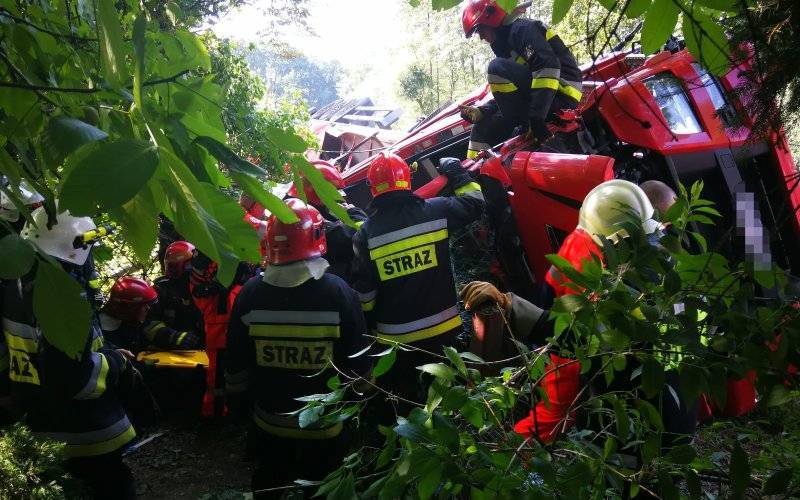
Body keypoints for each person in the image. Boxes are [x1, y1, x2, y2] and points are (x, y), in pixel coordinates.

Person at [225, 199, 370, 498]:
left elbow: (236, 366)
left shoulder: (250, 294)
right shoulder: (339, 293)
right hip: (324, 426)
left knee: (269, 485)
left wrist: (239, 412)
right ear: (317, 237)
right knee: (321, 489)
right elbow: (360, 366)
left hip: (269, 422)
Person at [5, 206, 136, 498]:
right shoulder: (62, 297)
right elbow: (77, 378)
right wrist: (116, 362)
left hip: (35, 429)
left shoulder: (14, 286)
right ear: (74, 250)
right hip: (86, 436)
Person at [352, 154, 484, 402]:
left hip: (396, 344)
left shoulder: (365, 234)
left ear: (372, 188)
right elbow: (475, 203)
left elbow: (365, 299)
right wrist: (456, 172)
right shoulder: (437, 210)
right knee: (453, 397)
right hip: (445, 333)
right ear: (407, 180)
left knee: (411, 403)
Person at [459, 0, 583, 158]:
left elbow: (548, 68)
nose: (481, 37)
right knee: (481, 126)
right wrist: (483, 111)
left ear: (491, 19)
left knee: (495, 67)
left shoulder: (522, 30)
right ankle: (473, 169)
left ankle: (522, 127)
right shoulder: (505, 44)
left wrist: (536, 117)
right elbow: (510, 92)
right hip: (544, 97)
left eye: (479, 30)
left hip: (562, 92)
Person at [288, 160, 368, 283]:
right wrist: (352, 211)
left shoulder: (292, 208)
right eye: (333, 191)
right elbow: (362, 233)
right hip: (325, 283)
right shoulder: (307, 218)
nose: (337, 197)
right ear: (318, 192)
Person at [100, 276, 200, 353]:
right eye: (143, 305)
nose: (148, 308)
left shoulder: (130, 321)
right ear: (128, 307)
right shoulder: (101, 333)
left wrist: (172, 338)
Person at [150, 241, 204, 335]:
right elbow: (149, 323)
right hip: (170, 342)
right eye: (189, 265)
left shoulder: (203, 287)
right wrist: (173, 336)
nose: (193, 268)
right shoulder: (161, 290)